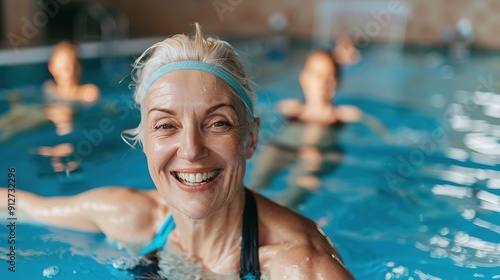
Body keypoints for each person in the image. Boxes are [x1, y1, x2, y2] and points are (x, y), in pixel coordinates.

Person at [1, 24, 354, 279]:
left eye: (218, 123)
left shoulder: (301, 267)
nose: (191, 150)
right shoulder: (129, 217)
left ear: (251, 139)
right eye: (166, 125)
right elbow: (24, 207)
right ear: (144, 142)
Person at [249, 50, 385, 207]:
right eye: (315, 73)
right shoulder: (289, 108)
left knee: (297, 189)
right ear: (303, 77)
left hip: (319, 154)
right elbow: (258, 121)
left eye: (328, 74)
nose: (321, 80)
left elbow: (380, 133)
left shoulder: (345, 114)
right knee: (255, 183)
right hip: (280, 148)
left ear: (336, 81)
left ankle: (278, 216)